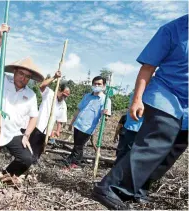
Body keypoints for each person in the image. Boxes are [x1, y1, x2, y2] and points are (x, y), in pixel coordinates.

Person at [92, 15, 188, 209]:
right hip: (165, 93)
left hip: (187, 105)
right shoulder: (171, 30)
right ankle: (109, 187)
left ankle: (137, 188)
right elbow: (148, 67)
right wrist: (137, 99)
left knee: (177, 145)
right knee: (160, 137)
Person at [0, 24, 44, 177]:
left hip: (13, 132)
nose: (23, 78)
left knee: (27, 158)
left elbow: (34, 117)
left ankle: (5, 176)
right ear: (15, 72)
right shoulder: (2, 81)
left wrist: (26, 135)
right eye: (21, 73)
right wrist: (0, 39)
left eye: (27, 76)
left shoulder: (31, 95)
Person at [63, 76, 111, 169]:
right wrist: (72, 122)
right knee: (77, 145)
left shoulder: (105, 100)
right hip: (78, 124)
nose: (96, 85)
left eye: (99, 84)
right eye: (95, 84)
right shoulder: (87, 96)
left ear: (104, 86)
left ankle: (74, 163)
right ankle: (74, 160)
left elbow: (106, 117)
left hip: (87, 127)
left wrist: (105, 114)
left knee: (78, 146)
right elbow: (79, 109)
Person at [28, 70, 70, 162]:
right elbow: (42, 85)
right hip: (37, 126)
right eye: (63, 95)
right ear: (59, 90)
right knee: (29, 148)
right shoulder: (49, 94)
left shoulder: (63, 105)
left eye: (66, 96)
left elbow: (60, 120)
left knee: (38, 150)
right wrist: (54, 77)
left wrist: (58, 131)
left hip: (48, 131)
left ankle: (32, 164)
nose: (64, 98)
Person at [114, 92, 143, 164]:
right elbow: (119, 126)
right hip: (130, 131)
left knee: (123, 151)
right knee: (124, 151)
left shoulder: (135, 96)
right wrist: (116, 135)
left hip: (130, 130)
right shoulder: (139, 97)